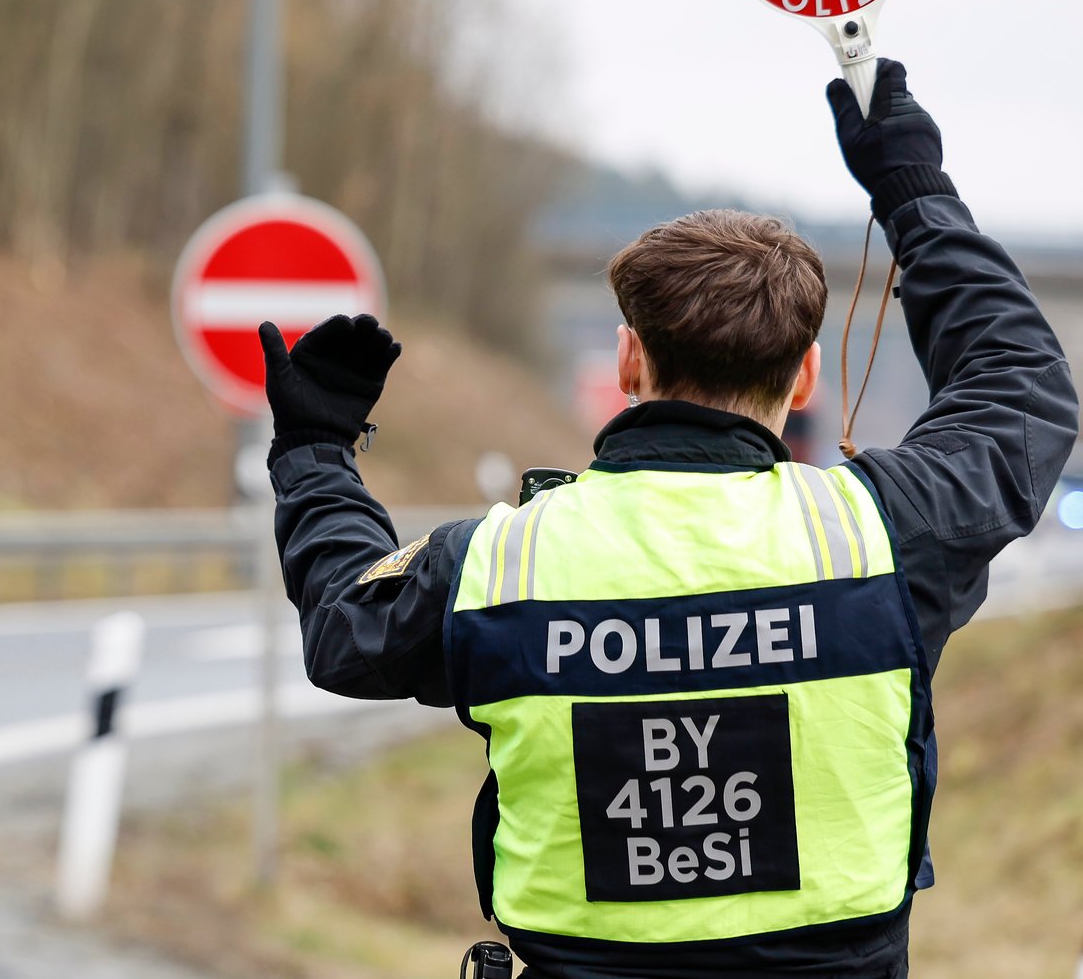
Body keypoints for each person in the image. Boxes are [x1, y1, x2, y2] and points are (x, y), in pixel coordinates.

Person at [261, 61, 1078, 978]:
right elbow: (1018, 389)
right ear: (805, 377)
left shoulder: (501, 563)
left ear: (627, 359)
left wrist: (315, 449)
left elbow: (341, 626)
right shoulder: (881, 537)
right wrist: (910, 184)